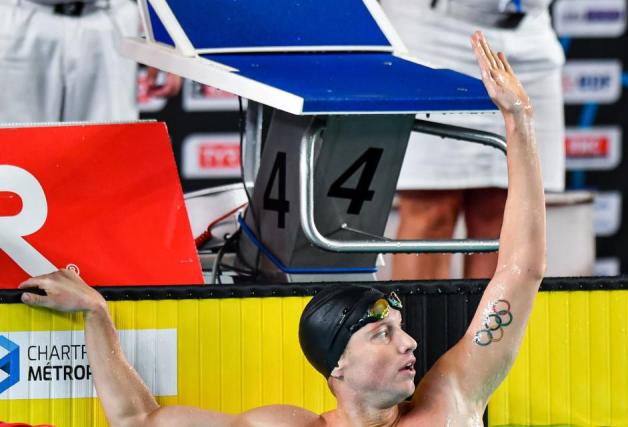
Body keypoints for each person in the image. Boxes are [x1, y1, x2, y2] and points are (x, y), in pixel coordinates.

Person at [18, 31, 546, 427]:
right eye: (382, 334)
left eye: (399, 328)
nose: (410, 343)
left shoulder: (450, 405)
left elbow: (521, 271)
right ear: (336, 364)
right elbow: (140, 421)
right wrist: (96, 316)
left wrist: (519, 123)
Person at [381, 0, 563, 280]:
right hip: (434, 28)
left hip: (530, 28)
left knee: (505, 213)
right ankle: (419, 324)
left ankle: (492, 325)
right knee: (432, 210)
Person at [0, 0, 181, 123]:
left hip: (108, 15)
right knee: (15, 159)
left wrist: (163, 30)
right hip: (21, 14)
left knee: (108, 154)